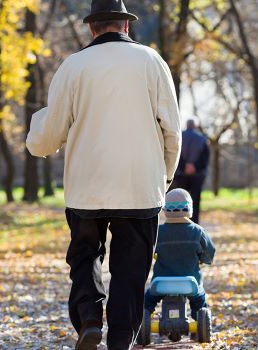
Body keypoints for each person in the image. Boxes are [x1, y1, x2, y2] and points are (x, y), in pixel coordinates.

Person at [25, 0, 181, 348]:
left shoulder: (74, 66)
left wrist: (37, 130)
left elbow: (47, 137)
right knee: (131, 266)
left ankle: (90, 320)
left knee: (84, 255)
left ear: (92, 27)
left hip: (86, 187)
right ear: (126, 25)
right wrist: (164, 177)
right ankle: (121, 339)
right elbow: (171, 130)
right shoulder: (152, 62)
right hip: (139, 185)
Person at [143, 189, 216, 320]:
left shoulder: (158, 232)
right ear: (190, 208)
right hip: (190, 283)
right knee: (200, 302)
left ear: (165, 209)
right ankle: (198, 323)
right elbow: (210, 252)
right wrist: (204, 260)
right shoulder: (198, 232)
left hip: (161, 284)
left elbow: (147, 251)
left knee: (146, 302)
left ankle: (142, 322)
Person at [174, 119, 210, 223]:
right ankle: (194, 224)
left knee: (180, 200)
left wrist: (184, 166)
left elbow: (175, 154)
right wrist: (195, 167)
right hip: (197, 176)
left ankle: (180, 222)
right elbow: (205, 158)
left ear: (186, 125)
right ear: (194, 126)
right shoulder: (202, 139)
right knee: (195, 201)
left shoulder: (179, 136)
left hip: (181, 175)